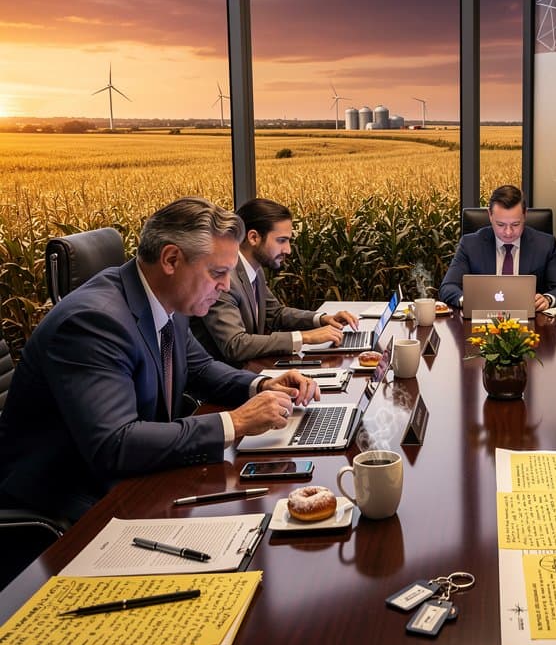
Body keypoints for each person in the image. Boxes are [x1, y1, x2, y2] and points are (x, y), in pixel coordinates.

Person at [0, 197, 320, 523]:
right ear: (171, 259)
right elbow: (116, 443)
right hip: (68, 501)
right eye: (218, 273)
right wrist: (234, 423)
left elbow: (200, 367)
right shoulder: (93, 322)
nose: (225, 286)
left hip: (133, 479)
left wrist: (261, 384)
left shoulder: (167, 298)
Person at [192, 198, 359, 365]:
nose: (288, 250)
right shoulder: (225, 279)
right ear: (253, 237)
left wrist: (322, 319)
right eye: (281, 240)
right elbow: (235, 344)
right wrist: (305, 337)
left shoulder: (254, 271)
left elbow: (276, 314)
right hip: (223, 384)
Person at [439, 185, 556, 311]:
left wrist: (548, 299)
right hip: (481, 323)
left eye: (515, 224)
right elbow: (448, 287)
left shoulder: (545, 244)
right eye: (501, 224)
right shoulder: (470, 244)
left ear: (525, 215)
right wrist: (467, 301)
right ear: (490, 215)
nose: (508, 232)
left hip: (532, 325)